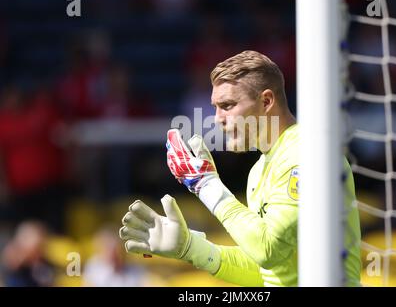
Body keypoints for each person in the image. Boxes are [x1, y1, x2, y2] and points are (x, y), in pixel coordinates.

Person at [119, 50, 361, 286]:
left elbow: (268, 250)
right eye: (215, 107)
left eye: (227, 105)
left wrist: (207, 186)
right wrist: (191, 248)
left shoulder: (307, 154)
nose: (217, 118)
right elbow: (267, 270)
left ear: (266, 101)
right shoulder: (259, 170)